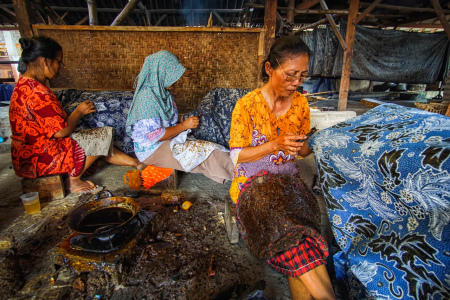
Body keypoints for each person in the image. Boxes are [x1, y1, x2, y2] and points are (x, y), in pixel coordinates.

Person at [229, 36, 336, 300]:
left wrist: (317, 141)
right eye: (290, 75)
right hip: (253, 186)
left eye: (302, 75)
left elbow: (301, 152)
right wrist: (274, 144)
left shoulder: (300, 104)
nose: (297, 82)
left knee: (300, 231)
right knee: (288, 225)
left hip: (288, 183)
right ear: (269, 69)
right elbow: (237, 157)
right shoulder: (246, 106)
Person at [9, 36, 144, 194]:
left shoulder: (24, 85)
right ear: (46, 61)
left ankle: (136, 163)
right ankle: (73, 181)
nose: (59, 67)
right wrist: (79, 111)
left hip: (27, 155)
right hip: (41, 157)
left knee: (97, 138)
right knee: (101, 136)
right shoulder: (37, 92)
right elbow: (61, 131)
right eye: (59, 62)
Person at [126, 50, 234, 184]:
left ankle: (235, 172)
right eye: (171, 74)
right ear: (161, 72)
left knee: (209, 147)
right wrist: (184, 126)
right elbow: (155, 136)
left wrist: (187, 118)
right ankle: (244, 176)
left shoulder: (162, 93)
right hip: (151, 149)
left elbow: (171, 119)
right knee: (206, 153)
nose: (175, 79)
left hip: (167, 139)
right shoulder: (146, 98)